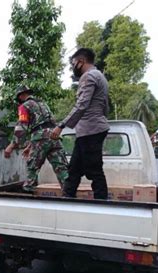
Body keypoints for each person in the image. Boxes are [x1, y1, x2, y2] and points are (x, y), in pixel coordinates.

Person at [51, 48, 110, 199]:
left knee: (94, 171)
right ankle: (67, 198)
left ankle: (102, 204)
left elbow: (82, 104)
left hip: (91, 130)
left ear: (81, 62)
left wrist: (61, 125)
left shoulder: (88, 76)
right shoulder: (100, 76)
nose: (73, 67)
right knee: (75, 169)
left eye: (73, 63)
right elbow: (105, 106)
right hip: (90, 130)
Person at [4, 85, 69, 193]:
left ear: (21, 95)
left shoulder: (24, 106)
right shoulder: (44, 104)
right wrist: (31, 145)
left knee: (32, 167)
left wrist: (11, 146)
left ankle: (28, 193)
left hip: (40, 138)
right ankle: (69, 193)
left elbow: (21, 128)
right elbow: (49, 123)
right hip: (55, 137)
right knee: (62, 168)